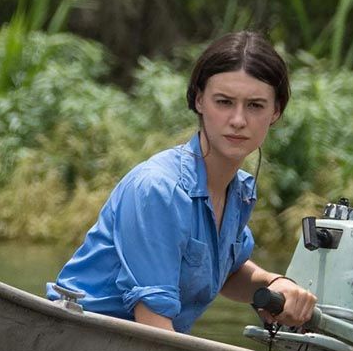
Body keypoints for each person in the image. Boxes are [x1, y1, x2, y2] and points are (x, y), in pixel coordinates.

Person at [50, 31, 319, 334]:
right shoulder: (158, 189)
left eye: (255, 105)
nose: (238, 119)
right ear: (199, 100)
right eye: (224, 102)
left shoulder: (239, 192)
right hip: (76, 339)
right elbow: (153, 324)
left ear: (276, 111)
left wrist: (273, 282)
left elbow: (224, 273)